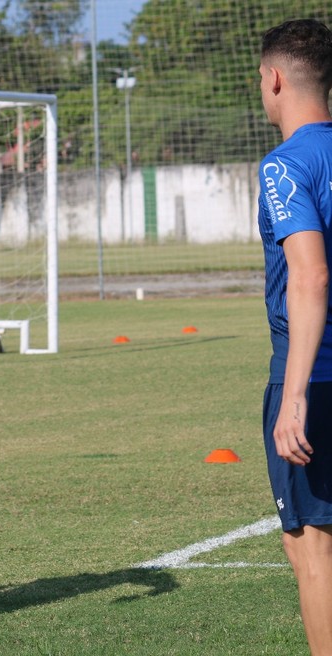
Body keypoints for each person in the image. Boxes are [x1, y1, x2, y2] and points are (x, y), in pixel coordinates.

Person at [257, 19, 332, 655]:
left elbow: (310, 277)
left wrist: (296, 394)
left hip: (319, 375)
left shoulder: (285, 167)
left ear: (275, 79)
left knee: (312, 543)